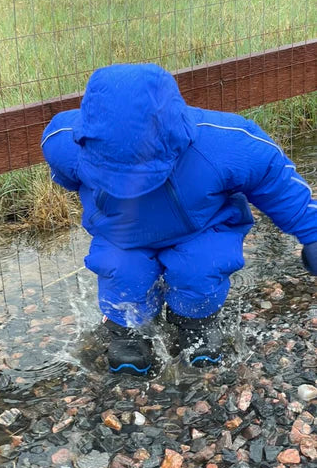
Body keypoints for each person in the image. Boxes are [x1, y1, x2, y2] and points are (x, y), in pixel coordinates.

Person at [41, 63, 317, 375]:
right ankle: (128, 330)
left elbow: (274, 180)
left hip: (201, 227)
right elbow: (65, 174)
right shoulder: (66, 143)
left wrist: (311, 231)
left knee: (200, 270)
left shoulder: (222, 144)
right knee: (121, 272)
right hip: (121, 234)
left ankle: (194, 322)